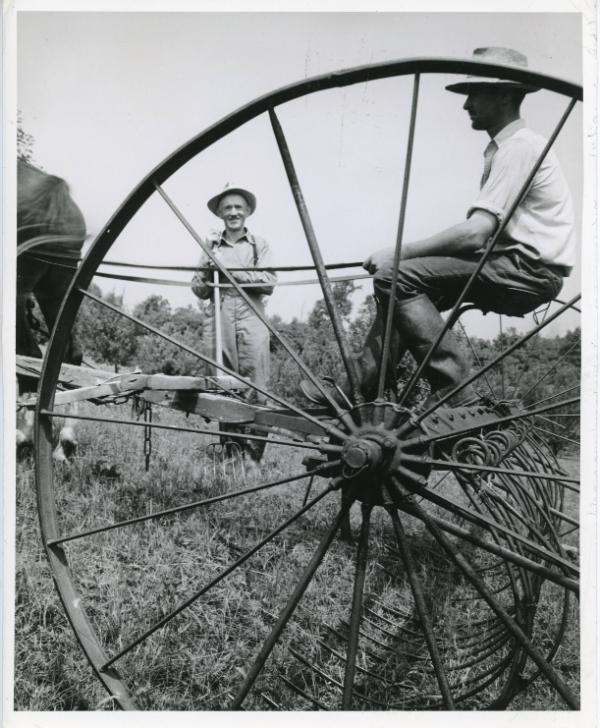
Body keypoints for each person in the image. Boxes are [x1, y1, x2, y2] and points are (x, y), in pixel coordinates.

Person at [303, 47, 576, 408]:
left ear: (507, 94)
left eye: (475, 93)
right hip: (518, 267)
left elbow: (476, 232)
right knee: (399, 284)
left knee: (395, 275)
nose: (466, 105)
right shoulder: (509, 148)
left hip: (524, 271)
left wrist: (398, 252)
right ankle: (359, 383)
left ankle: (456, 394)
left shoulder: (519, 148)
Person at [191, 183, 277, 461]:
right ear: (219, 214)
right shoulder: (212, 246)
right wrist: (208, 264)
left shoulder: (259, 245)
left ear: (248, 211)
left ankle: (252, 460)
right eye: (227, 208)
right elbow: (199, 289)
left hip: (252, 322)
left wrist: (228, 271)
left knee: (255, 389)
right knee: (224, 387)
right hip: (219, 323)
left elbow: (268, 282)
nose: (233, 212)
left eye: (238, 207)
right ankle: (230, 454)